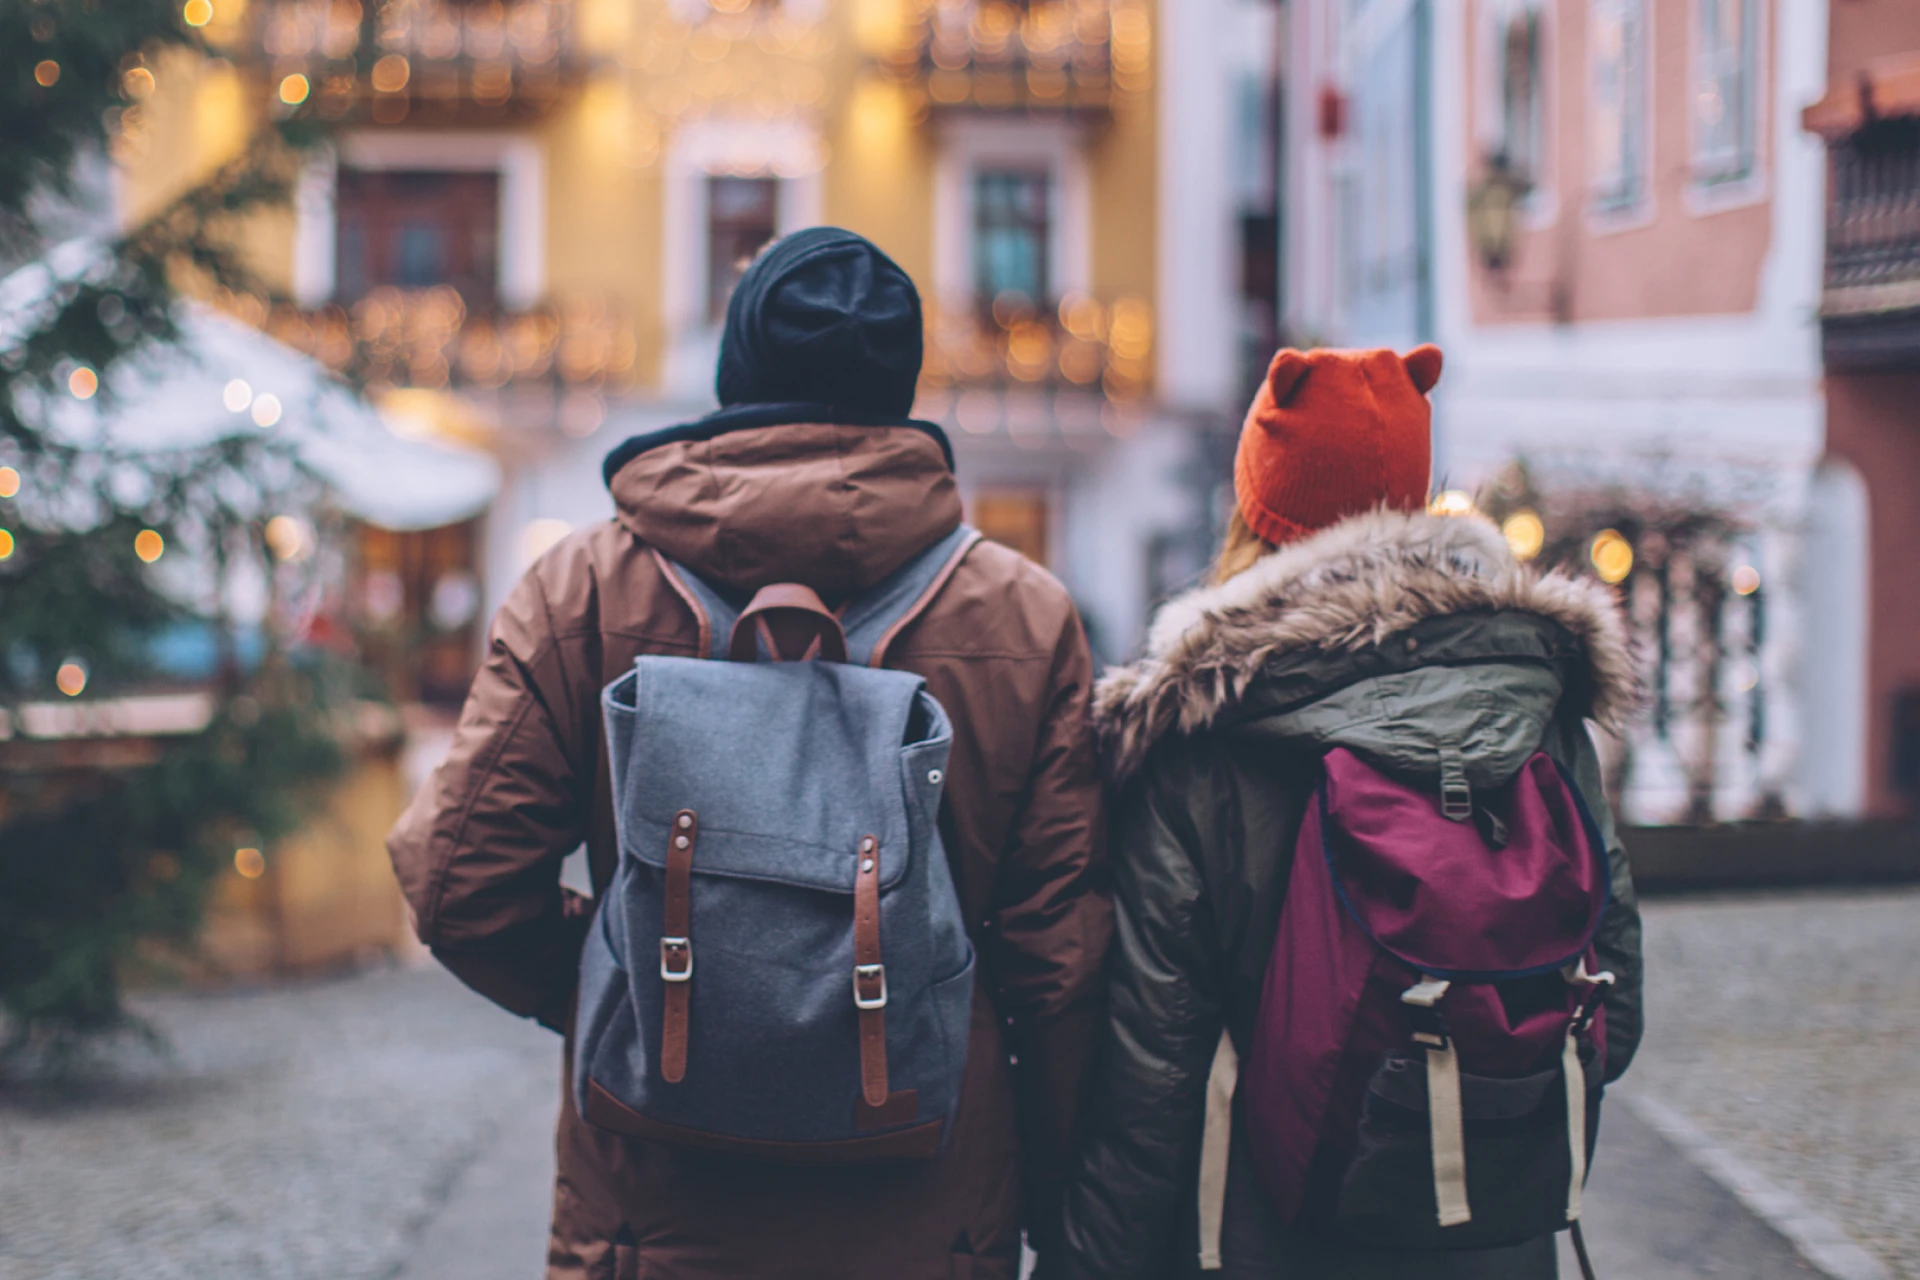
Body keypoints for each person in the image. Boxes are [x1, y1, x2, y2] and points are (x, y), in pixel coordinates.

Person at [388, 227, 1111, 1280]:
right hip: (929, 1208)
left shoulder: (582, 587)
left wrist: (643, 988)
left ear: (736, 378)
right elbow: (1061, 964)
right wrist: (1055, 1197)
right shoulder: (1025, 615)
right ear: (899, 388)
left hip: (651, 1217)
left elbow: (457, 883)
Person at [1060, 345, 1644, 1280]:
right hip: (1492, 1234)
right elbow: (1614, 994)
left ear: (1257, 502)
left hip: (1266, 1236)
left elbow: (1152, 1081)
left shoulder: (1203, 739)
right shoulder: (1538, 708)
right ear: (1414, 495)